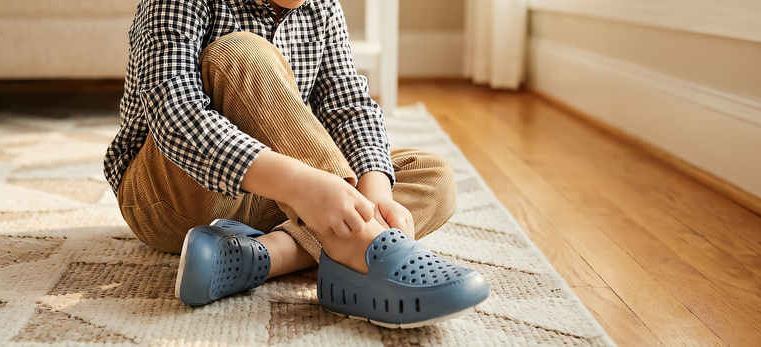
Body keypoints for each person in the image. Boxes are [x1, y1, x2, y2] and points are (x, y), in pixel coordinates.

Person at [104, 0, 489, 328]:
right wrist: (301, 184)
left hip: (285, 198)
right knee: (240, 53)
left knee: (432, 173)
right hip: (173, 194)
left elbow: (347, 107)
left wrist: (375, 193)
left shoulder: (322, 7)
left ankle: (265, 256)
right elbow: (176, 114)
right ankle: (356, 245)